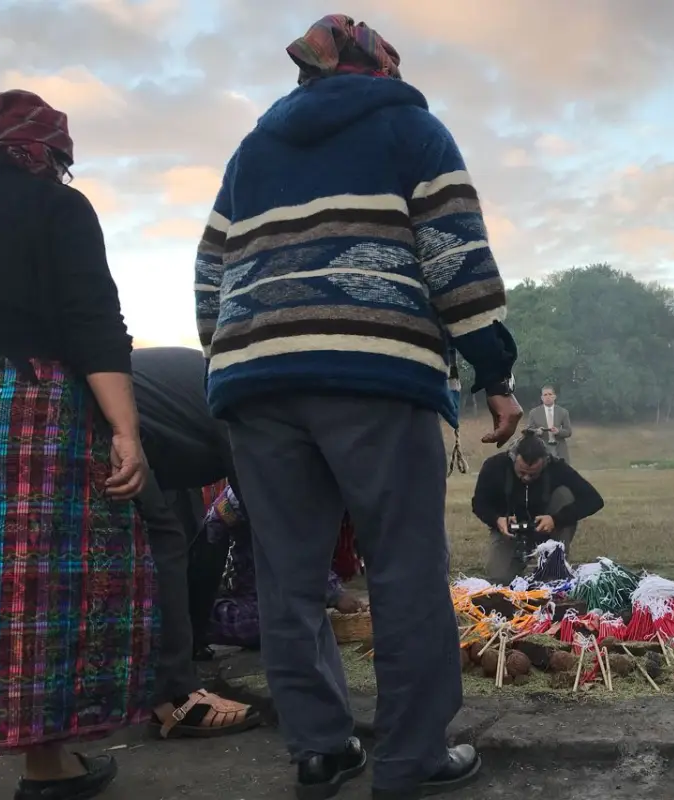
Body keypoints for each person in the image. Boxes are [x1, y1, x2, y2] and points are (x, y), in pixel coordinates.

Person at [194, 15, 522, 799]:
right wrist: (496, 373)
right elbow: (457, 259)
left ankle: (320, 748)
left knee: (289, 574)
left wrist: (237, 353)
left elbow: (210, 271)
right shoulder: (412, 129)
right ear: (382, 69)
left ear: (305, 74)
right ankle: (411, 760)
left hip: (256, 380)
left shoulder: (251, 151)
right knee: (405, 569)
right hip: (373, 371)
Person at [0, 91, 154, 800]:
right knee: (39, 590)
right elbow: (92, 318)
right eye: (59, 162)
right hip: (28, 417)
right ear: (34, 152)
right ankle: (46, 764)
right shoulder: (55, 209)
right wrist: (126, 429)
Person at [129, 346, 260, 739]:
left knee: (183, 537)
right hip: (113, 420)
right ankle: (175, 697)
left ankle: (182, 650)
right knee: (163, 540)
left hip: (148, 433)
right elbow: (264, 511)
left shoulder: (234, 379)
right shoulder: (243, 397)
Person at [202, 484, 368, 650]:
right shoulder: (265, 480)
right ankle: (195, 620)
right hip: (245, 569)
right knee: (281, 624)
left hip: (276, 566)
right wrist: (334, 593)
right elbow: (217, 519)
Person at [472, 430, 605, 584]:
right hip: (509, 533)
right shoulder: (494, 466)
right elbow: (479, 503)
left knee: (565, 495)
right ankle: (516, 561)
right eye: (522, 473)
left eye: (533, 474)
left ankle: (555, 563)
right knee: (499, 580)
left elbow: (594, 499)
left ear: (545, 462)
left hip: (548, 530)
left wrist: (556, 519)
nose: (527, 478)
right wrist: (497, 520)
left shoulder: (556, 467)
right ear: (513, 458)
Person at [526, 385, 572, 462]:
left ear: (554, 396)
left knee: (561, 472)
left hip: (559, 449)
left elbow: (568, 431)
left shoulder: (563, 412)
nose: (548, 397)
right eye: (545, 395)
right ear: (542, 398)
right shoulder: (533, 413)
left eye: (550, 394)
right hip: (542, 449)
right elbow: (528, 431)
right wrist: (537, 431)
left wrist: (558, 431)